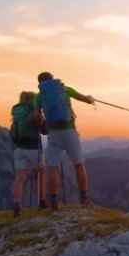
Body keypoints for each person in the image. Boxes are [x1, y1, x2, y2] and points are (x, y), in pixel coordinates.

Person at [34, 72, 94, 209]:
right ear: (52, 79)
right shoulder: (64, 89)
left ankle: (54, 201)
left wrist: (42, 124)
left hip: (53, 133)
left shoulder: (39, 96)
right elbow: (85, 99)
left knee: (53, 167)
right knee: (79, 164)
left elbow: (36, 117)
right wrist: (91, 98)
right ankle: (84, 198)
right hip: (69, 131)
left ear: (40, 83)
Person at [10, 91, 46, 217]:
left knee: (19, 179)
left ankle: (17, 206)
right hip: (33, 148)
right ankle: (41, 202)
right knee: (40, 176)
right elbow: (44, 130)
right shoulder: (34, 110)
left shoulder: (17, 111)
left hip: (19, 149)